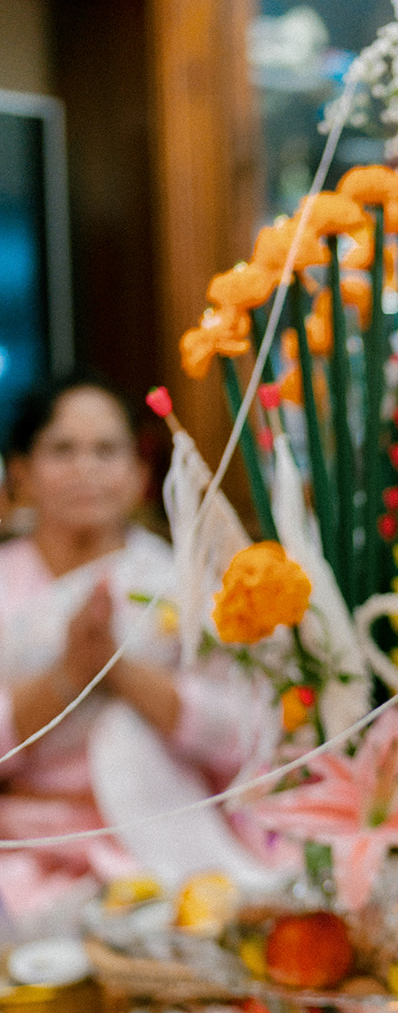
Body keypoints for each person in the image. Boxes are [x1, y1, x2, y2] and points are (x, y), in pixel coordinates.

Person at [0, 373, 280, 930]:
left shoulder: (180, 583)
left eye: (107, 450)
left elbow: (246, 737)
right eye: (63, 450)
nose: (86, 468)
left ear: (138, 474)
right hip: (24, 852)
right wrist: (69, 675)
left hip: (163, 833)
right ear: (22, 473)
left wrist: (120, 670)